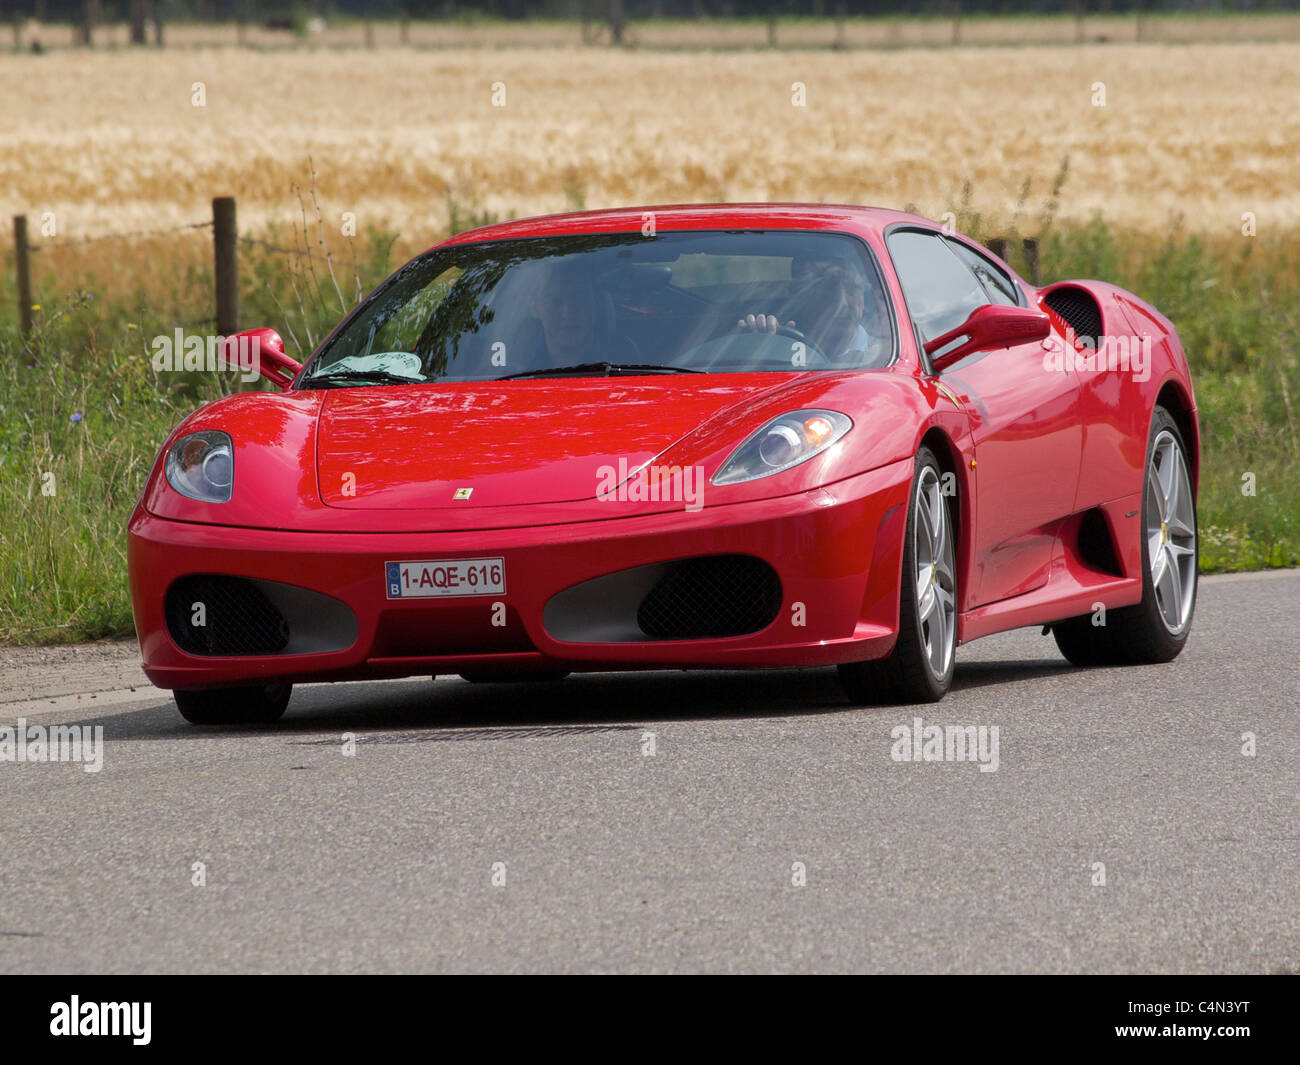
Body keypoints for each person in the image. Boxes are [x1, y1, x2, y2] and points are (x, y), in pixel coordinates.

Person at [737, 252, 888, 366]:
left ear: (863, 295)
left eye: (852, 288)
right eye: (827, 289)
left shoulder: (884, 356)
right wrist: (755, 344)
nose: (842, 303)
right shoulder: (776, 347)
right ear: (798, 296)